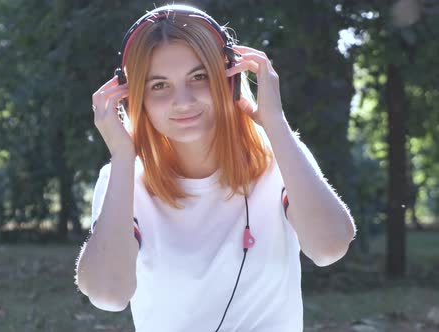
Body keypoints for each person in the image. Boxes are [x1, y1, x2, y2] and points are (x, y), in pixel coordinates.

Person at [75, 4, 356, 332]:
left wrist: (275, 123)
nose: (184, 100)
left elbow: (329, 247)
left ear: (230, 82)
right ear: (135, 99)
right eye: (159, 86)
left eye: (199, 77)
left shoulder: (280, 156)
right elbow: (109, 294)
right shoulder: (121, 180)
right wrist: (123, 157)